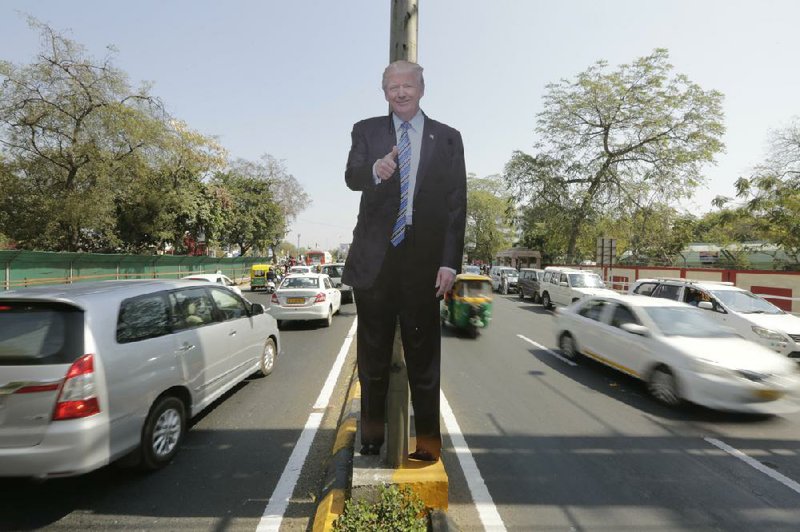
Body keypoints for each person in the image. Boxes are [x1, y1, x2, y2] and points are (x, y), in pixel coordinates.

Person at [342, 60, 467, 462]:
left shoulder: (448, 138)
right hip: (376, 261)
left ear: (421, 88)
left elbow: (455, 208)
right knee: (372, 359)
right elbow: (351, 176)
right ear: (384, 92)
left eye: (407, 85)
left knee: (424, 360)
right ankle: (372, 438)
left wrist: (450, 263)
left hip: (424, 262)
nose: (400, 92)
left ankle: (428, 445)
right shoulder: (367, 130)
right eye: (392, 86)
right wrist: (375, 171)